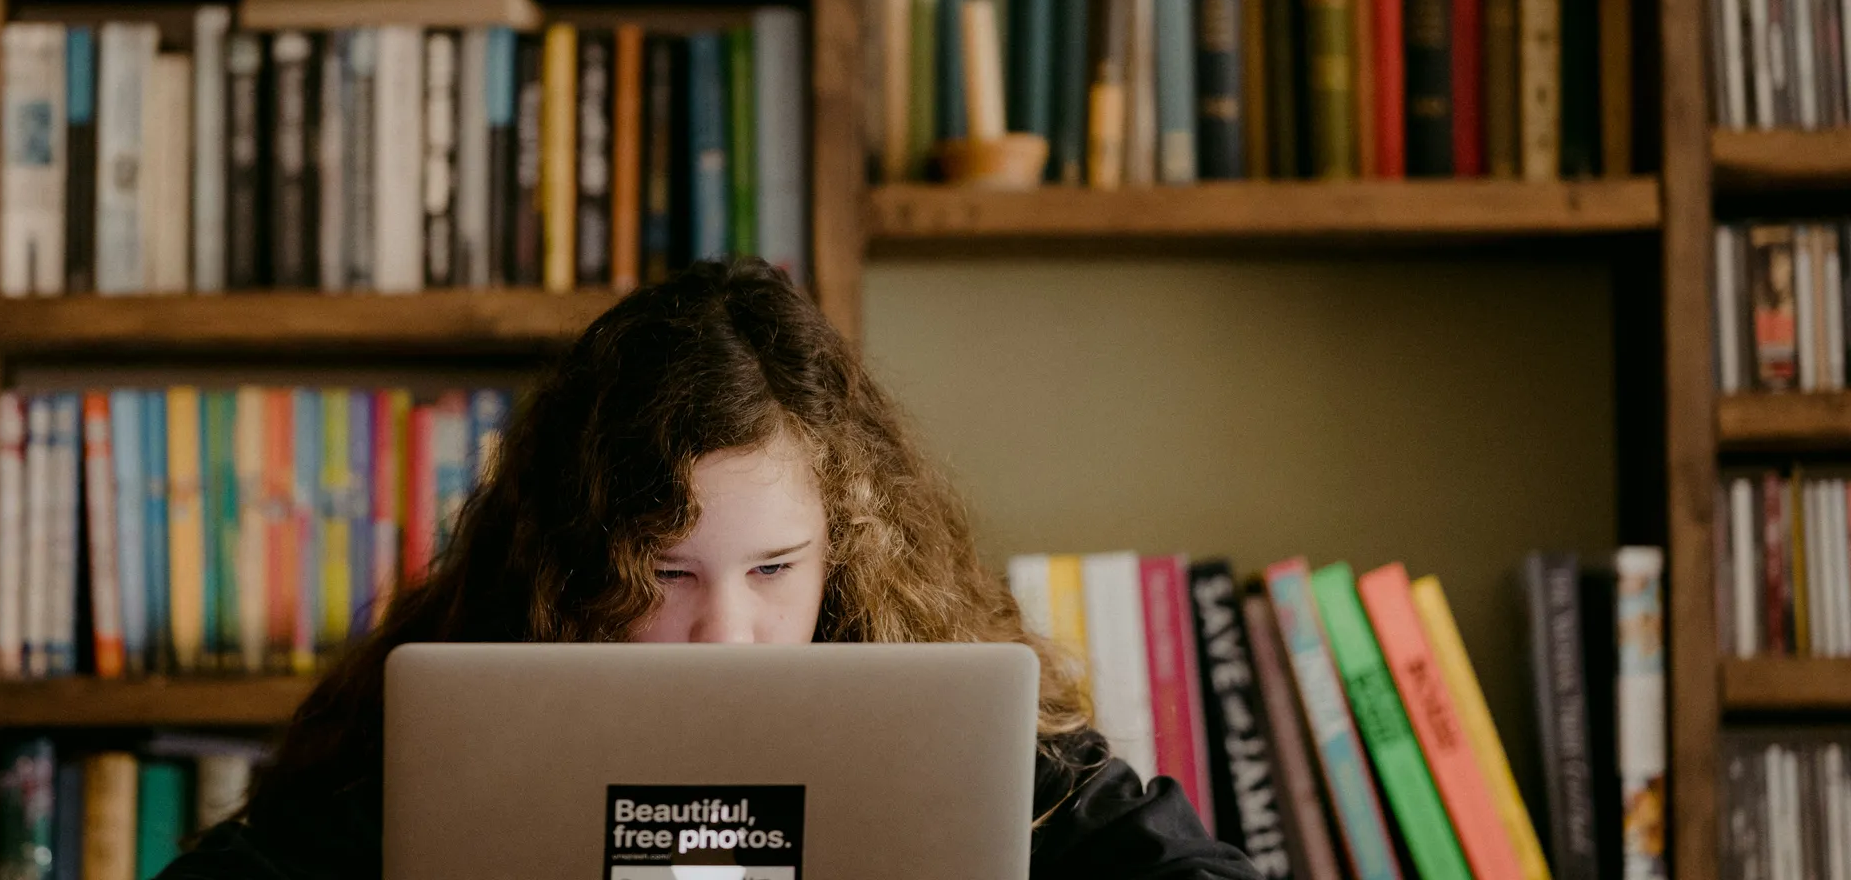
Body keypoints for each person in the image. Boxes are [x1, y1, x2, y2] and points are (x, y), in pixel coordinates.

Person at [159, 258, 1260, 880]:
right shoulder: (449, 725)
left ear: (848, 546)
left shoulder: (939, 713)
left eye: (774, 569)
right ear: (575, 561)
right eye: (666, 574)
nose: (726, 633)